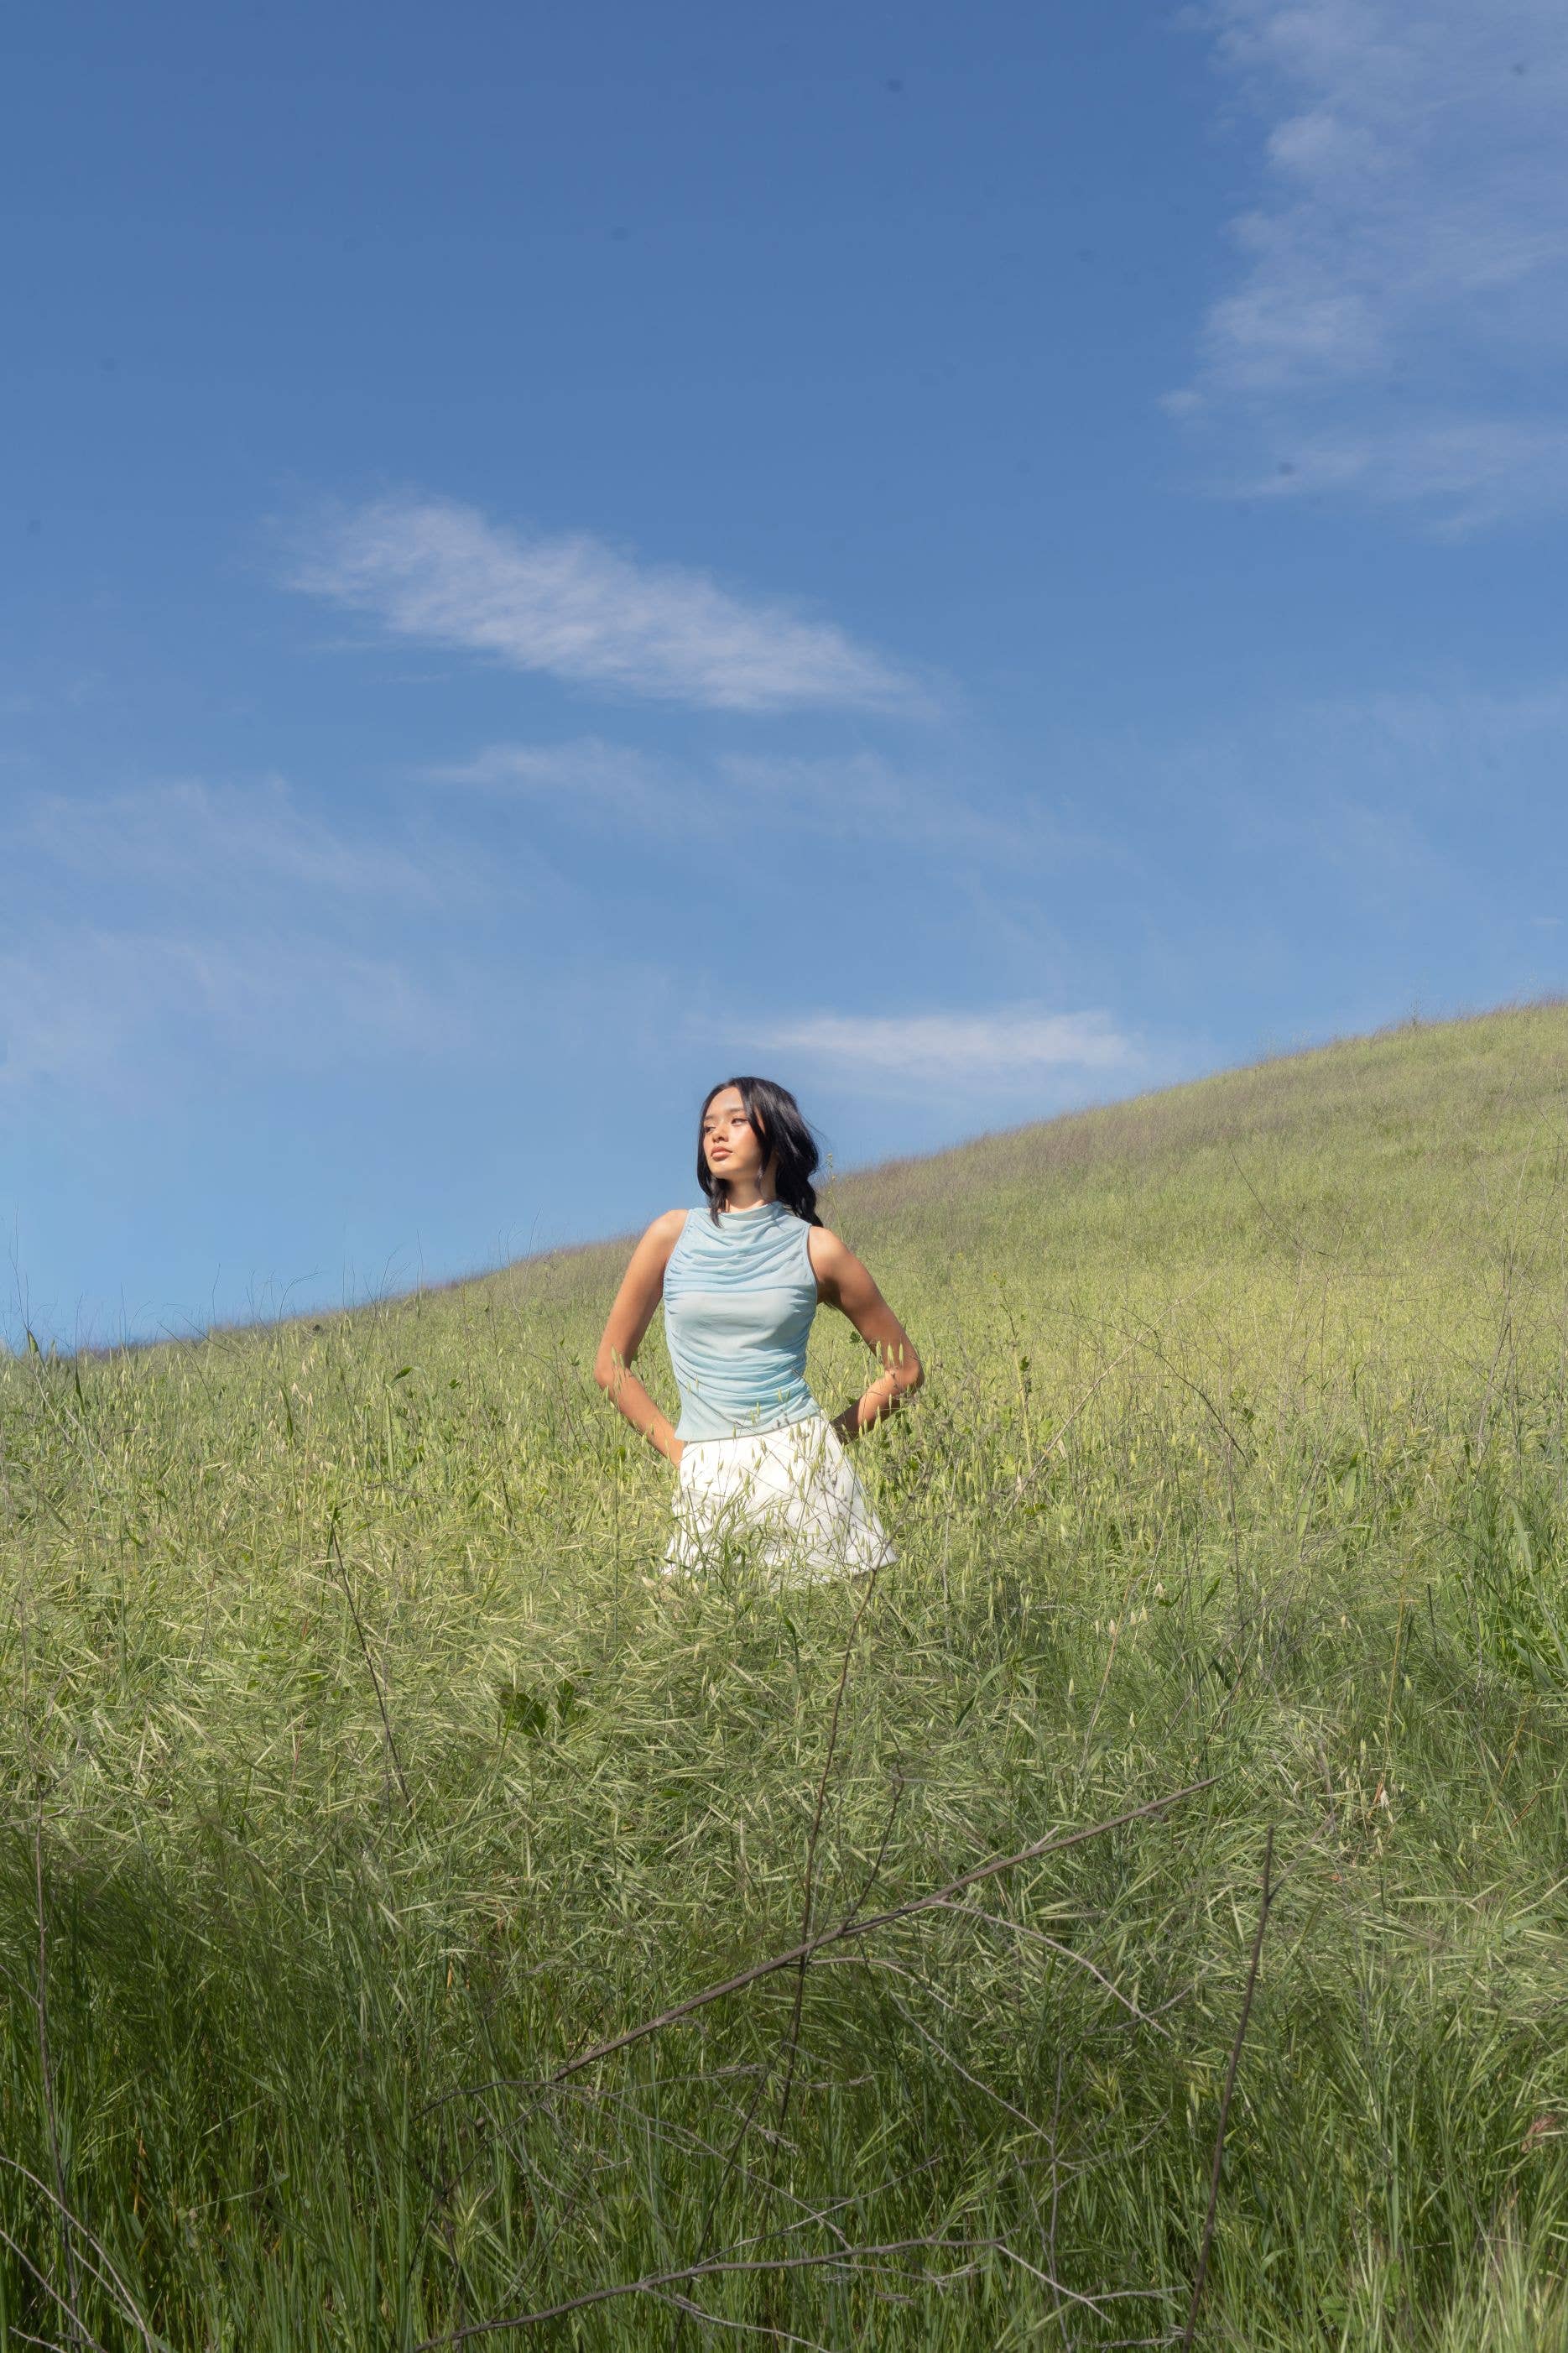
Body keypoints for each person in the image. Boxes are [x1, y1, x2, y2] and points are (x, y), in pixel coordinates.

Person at [593, 1075, 922, 1583]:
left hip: (805, 1467)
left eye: (736, 1121)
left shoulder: (817, 1248)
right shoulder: (670, 1236)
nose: (716, 1135)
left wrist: (828, 1442)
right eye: (707, 1127)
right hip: (707, 1472)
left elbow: (905, 1371)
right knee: (703, 1647)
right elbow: (610, 1368)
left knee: (833, 1649)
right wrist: (683, 1456)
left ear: (776, 1135)